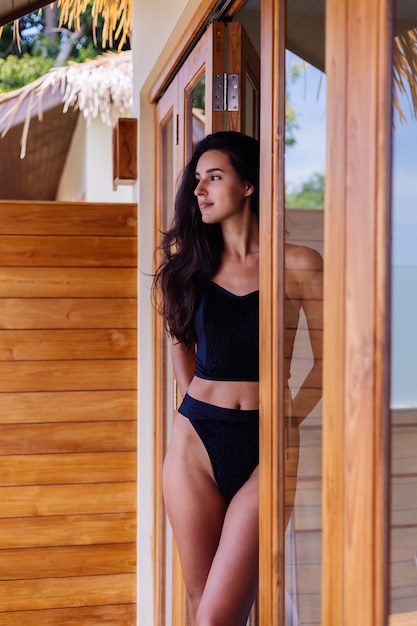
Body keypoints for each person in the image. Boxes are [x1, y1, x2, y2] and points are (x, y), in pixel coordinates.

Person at [153, 131, 322, 626]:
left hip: (268, 445)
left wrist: (286, 418)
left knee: (219, 616)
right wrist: (198, 412)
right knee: (198, 602)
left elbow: (328, 362)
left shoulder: (299, 265)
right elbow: (180, 350)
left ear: (248, 185)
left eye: (215, 177)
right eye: (197, 181)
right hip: (194, 446)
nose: (199, 190)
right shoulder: (189, 270)